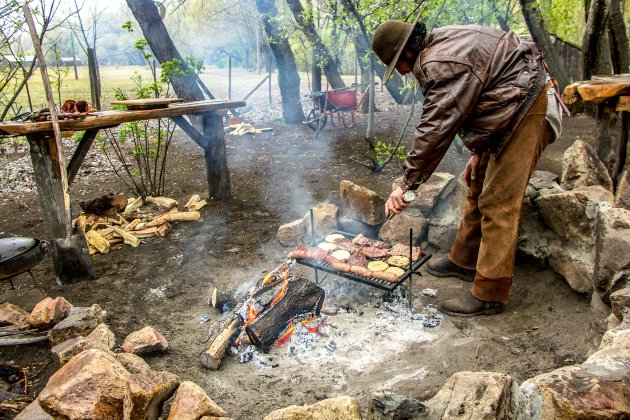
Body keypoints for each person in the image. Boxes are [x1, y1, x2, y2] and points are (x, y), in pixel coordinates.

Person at [371, 15, 564, 316]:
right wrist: (481, 150)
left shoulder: (437, 64)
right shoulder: (440, 45)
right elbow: (480, 93)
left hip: (529, 105)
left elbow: (434, 130)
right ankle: (464, 260)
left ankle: (490, 292)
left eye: (397, 64)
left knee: (499, 201)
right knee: (477, 180)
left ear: (407, 51)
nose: (401, 72)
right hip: (511, 106)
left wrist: (406, 186)